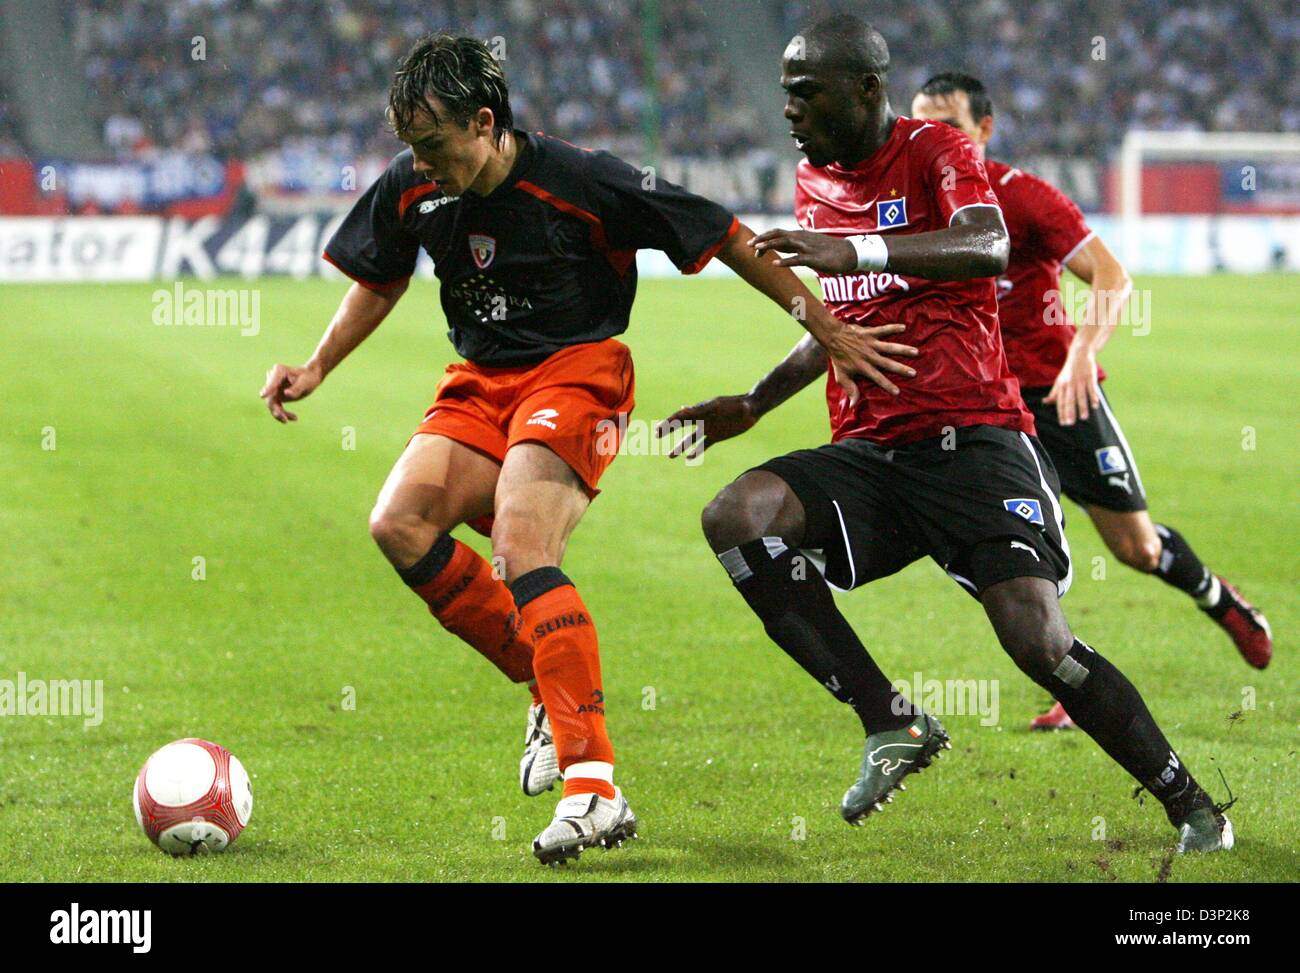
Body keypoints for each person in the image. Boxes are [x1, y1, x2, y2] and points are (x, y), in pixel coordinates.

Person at [259, 33, 913, 865]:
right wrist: (318, 364)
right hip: (481, 380)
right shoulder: (414, 186)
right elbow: (380, 274)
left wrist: (819, 319)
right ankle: (546, 681)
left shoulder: (587, 180)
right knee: (399, 523)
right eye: (411, 150)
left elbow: (728, 237)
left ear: (485, 122)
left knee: (520, 543)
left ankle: (592, 785)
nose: (421, 166)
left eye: (432, 147)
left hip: (581, 374)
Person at [659, 15, 1233, 852]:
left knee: (1037, 640)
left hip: (974, 440)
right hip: (871, 454)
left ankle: (1191, 804)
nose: (789, 111)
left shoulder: (937, 151)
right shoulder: (815, 177)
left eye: (804, 93)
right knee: (736, 516)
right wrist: (753, 402)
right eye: (785, 94)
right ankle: (889, 718)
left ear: (864, 88)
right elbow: (844, 321)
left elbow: (987, 244)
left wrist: (850, 248)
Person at [910, 73, 1272, 731]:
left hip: (1060, 393)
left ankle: (1222, 600)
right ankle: (1072, 676)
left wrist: (1082, 351)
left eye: (950, 127)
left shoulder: (1023, 197)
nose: (935, 142)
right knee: (1026, 546)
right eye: (923, 128)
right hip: (989, 411)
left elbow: (1111, 275)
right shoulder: (915, 207)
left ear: (984, 131)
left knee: (1135, 547)